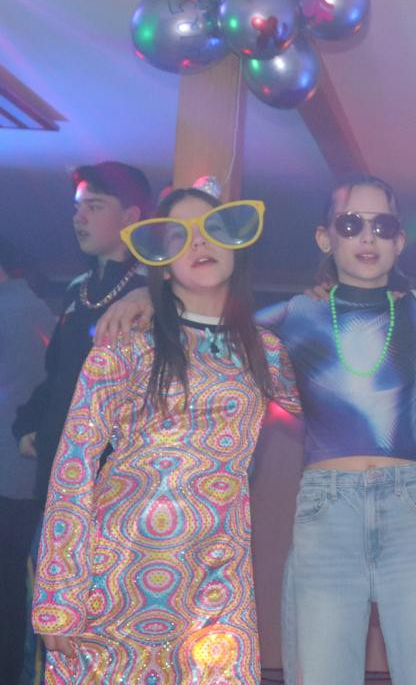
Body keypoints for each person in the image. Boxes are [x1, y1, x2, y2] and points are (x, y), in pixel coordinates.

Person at [96, 175, 416, 685]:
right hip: (327, 513)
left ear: (399, 241)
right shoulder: (296, 312)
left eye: (382, 226)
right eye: (350, 225)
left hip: (409, 510)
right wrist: (147, 296)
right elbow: (204, 321)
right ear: (326, 238)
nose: (366, 237)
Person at [31, 188, 300, 684]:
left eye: (213, 229)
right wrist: (58, 594)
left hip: (216, 580)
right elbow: (74, 467)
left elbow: (335, 404)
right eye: (180, 236)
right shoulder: (125, 345)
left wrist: (339, 309)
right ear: (161, 259)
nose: (199, 242)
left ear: (237, 244)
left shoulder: (265, 351)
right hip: (115, 574)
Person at [12, 161, 152, 684]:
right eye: (77, 208)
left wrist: (156, 294)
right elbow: (56, 379)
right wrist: (29, 426)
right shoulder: (76, 290)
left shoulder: (155, 296)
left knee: (105, 629)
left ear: (132, 217)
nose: (79, 218)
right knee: (44, 627)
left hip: (117, 494)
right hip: (57, 486)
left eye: (94, 206)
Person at [0, 238, 55, 684]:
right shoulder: (37, 308)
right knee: (16, 589)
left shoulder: (9, 310)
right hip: (27, 475)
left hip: (8, 476)